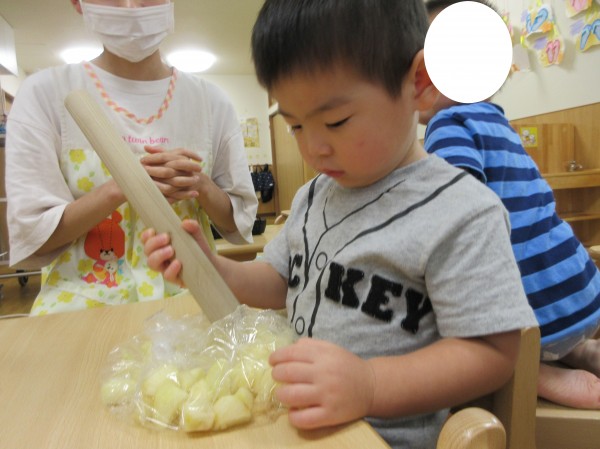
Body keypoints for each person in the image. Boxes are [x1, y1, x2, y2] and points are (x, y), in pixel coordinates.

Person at [141, 1, 538, 447]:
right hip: (295, 420)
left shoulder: (461, 211)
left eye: (336, 121)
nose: (314, 149)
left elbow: (492, 352)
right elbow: (277, 281)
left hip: (381, 435)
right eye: (295, 126)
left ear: (419, 83)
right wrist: (212, 268)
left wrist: (369, 384)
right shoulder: (312, 196)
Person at [5, 0, 258, 315]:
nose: (130, 5)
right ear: (78, 3)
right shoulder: (44, 93)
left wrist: (200, 185)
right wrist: (121, 187)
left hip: (192, 298)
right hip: (81, 307)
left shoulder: (211, 102)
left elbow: (238, 222)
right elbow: (33, 236)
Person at [421, 0, 600, 411]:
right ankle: (582, 351)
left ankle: (538, 374)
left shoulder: (447, 126)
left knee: (441, 307)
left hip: (538, 322)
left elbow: (460, 216)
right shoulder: (497, 121)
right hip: (581, 292)